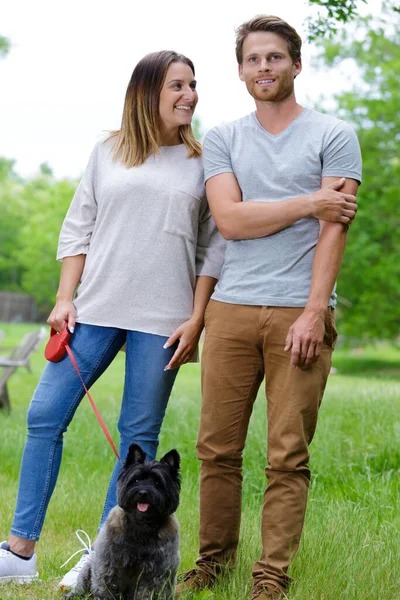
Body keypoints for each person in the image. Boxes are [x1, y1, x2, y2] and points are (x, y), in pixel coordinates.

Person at [0, 50, 224, 589]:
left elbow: (211, 248)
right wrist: (63, 297)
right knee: (44, 415)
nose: (189, 95)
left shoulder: (206, 160)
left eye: (193, 85)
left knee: (137, 438)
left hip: (163, 319)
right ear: (147, 91)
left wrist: (196, 319)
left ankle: (101, 556)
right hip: (95, 308)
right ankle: (21, 550)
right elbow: (78, 225)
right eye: (177, 85)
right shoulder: (108, 151)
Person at [177, 15, 362, 600]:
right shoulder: (225, 138)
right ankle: (213, 564)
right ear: (240, 71)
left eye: (275, 57)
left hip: (298, 313)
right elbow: (230, 220)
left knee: (287, 455)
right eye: (254, 59)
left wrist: (314, 311)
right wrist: (311, 201)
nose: (265, 68)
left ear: (296, 64)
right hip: (229, 311)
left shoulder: (334, 135)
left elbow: (336, 233)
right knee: (217, 450)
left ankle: (270, 578)